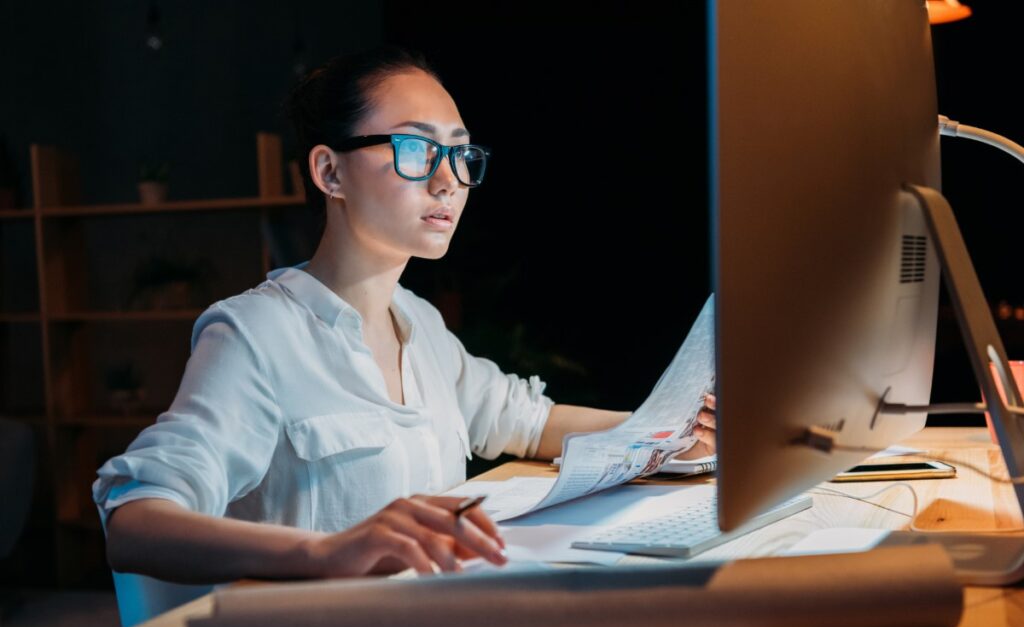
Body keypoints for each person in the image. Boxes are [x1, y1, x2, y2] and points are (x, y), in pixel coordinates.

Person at [94, 45, 717, 584]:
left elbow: (527, 422)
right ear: (329, 171)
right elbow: (136, 523)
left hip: (429, 620)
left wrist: (674, 430)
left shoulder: (418, 325)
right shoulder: (255, 335)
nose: (449, 181)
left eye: (462, 155)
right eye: (417, 149)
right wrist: (329, 551)